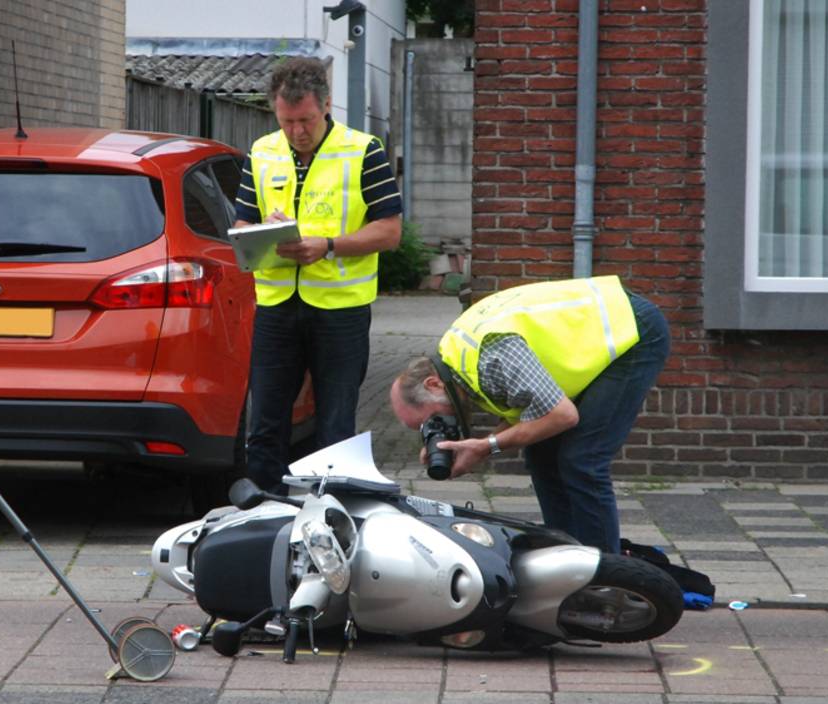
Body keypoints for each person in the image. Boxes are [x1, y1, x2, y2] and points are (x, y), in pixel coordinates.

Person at [389, 276, 670, 554]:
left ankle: (607, 577)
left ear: (433, 384)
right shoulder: (456, 357)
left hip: (632, 330)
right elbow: (526, 412)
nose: (441, 426)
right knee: (541, 453)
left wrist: (487, 446)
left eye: (434, 418)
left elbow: (562, 416)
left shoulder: (490, 357)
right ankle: (566, 557)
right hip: (604, 324)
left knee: (583, 460)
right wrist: (477, 448)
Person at [235, 57, 402, 491]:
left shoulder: (364, 150)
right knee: (265, 425)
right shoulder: (261, 150)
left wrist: (326, 246)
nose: (296, 132)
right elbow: (240, 226)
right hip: (275, 308)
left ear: (327, 105)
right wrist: (264, 231)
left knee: (336, 427)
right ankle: (263, 520)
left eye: (306, 120)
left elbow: (390, 231)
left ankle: (331, 520)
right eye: (286, 121)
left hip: (340, 310)